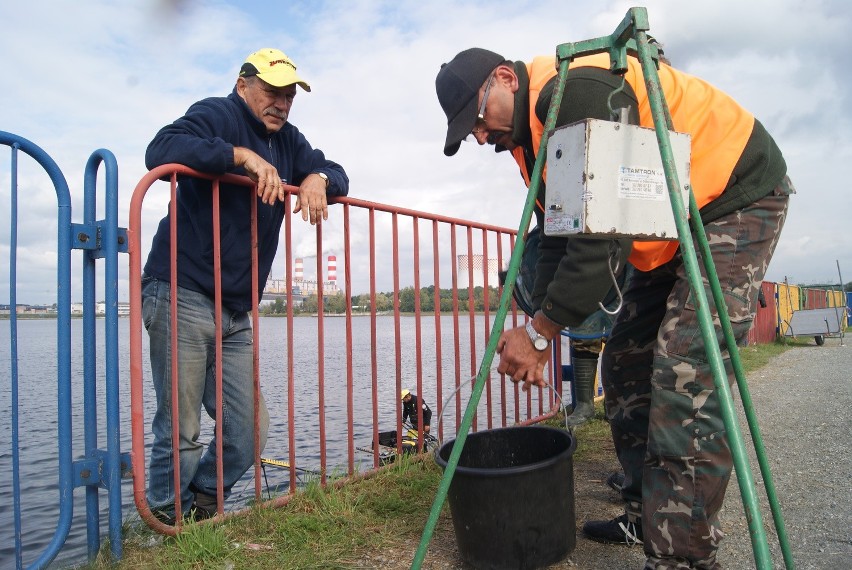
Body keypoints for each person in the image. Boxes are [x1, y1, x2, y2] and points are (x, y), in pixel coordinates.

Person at [436, 45, 792, 569]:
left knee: (685, 379)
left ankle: (683, 558)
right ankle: (644, 513)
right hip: (666, 221)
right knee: (625, 362)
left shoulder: (575, 93)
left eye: (477, 120)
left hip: (731, 197)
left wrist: (540, 334)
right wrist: (540, 331)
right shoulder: (534, 139)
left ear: (505, 79)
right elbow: (562, 231)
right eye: (471, 133)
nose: (481, 137)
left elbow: (602, 234)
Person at [142, 47, 349, 524]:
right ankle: (169, 525)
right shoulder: (216, 113)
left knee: (249, 430)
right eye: (272, 91)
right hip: (181, 290)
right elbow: (161, 148)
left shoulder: (289, 141)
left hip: (236, 308)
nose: (281, 102)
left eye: (289, 95)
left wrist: (317, 177)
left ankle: (201, 507)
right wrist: (239, 156)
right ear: (243, 85)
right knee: (181, 428)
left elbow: (335, 171)